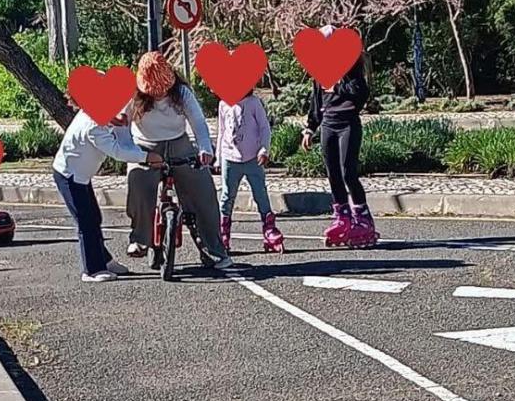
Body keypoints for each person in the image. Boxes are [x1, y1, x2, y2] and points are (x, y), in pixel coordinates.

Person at [124, 51, 233, 270]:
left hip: (178, 142)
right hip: (145, 145)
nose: (158, 94)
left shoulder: (182, 93)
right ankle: (140, 239)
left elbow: (198, 123)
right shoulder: (133, 96)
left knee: (202, 190)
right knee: (138, 183)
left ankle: (213, 249)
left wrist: (204, 149)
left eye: (162, 88)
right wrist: (135, 154)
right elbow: (121, 125)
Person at [53, 108, 165, 283]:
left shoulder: (95, 114)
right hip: (69, 175)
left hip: (81, 175)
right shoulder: (93, 127)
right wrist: (146, 156)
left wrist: (114, 119)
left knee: (94, 217)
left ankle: (104, 260)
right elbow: (116, 151)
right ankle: (92, 270)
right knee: (85, 221)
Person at [301, 25, 379, 248]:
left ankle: (363, 218)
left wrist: (337, 86)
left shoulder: (351, 67)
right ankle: (342, 216)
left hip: (348, 124)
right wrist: (310, 128)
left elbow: (360, 92)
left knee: (348, 172)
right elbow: (316, 102)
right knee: (333, 173)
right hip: (328, 125)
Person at [215, 89, 284, 253]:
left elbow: (264, 128)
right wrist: (218, 157)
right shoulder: (223, 104)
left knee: (260, 193)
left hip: (253, 157)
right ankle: (223, 233)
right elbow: (222, 132)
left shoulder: (253, 103)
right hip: (230, 157)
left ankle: (269, 229)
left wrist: (264, 149)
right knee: (227, 195)